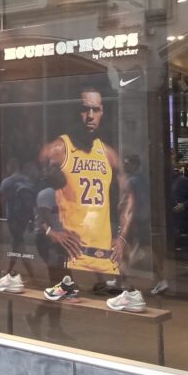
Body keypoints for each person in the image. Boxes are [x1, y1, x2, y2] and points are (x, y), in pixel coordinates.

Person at [39, 88, 139, 308]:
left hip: (103, 258)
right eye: (85, 110)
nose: (90, 115)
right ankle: (48, 328)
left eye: (96, 110)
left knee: (107, 317)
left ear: (102, 112)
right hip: (70, 254)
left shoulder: (108, 154)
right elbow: (33, 195)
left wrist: (121, 237)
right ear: (77, 112)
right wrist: (50, 230)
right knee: (58, 303)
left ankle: (43, 322)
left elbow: (128, 197)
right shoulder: (57, 150)